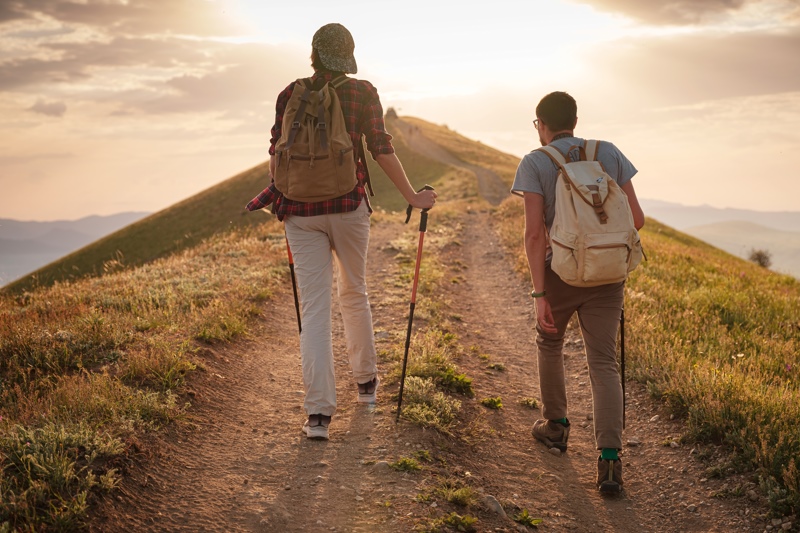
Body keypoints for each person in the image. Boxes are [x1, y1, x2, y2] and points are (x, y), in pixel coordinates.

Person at [246, 23, 437, 441]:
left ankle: (318, 415)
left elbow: (276, 153)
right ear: (347, 58)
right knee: (355, 291)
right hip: (349, 207)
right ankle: (366, 386)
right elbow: (380, 147)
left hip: (299, 212)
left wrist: (281, 197)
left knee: (315, 310)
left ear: (313, 55)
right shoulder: (361, 91)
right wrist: (411, 196)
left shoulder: (289, 93)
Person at [510, 91, 645, 493]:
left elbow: (535, 235)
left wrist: (540, 295)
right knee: (603, 363)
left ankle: (556, 426)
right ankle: (609, 460)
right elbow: (635, 218)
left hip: (561, 275)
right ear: (575, 120)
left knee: (550, 342)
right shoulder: (609, 153)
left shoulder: (536, 162)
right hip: (608, 279)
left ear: (541, 125)